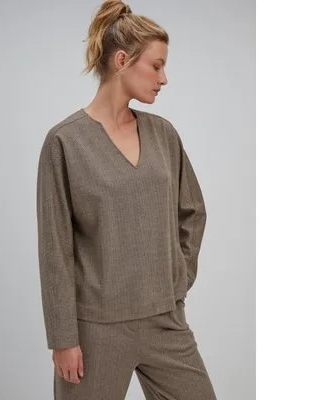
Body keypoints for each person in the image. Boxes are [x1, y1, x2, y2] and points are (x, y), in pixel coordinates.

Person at [36, 1, 217, 399]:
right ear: (122, 60)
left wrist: (177, 278)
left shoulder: (163, 134)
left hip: (165, 319)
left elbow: (192, 211)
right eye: (156, 66)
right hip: (95, 329)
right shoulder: (65, 142)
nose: (164, 78)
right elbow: (55, 248)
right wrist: (63, 338)